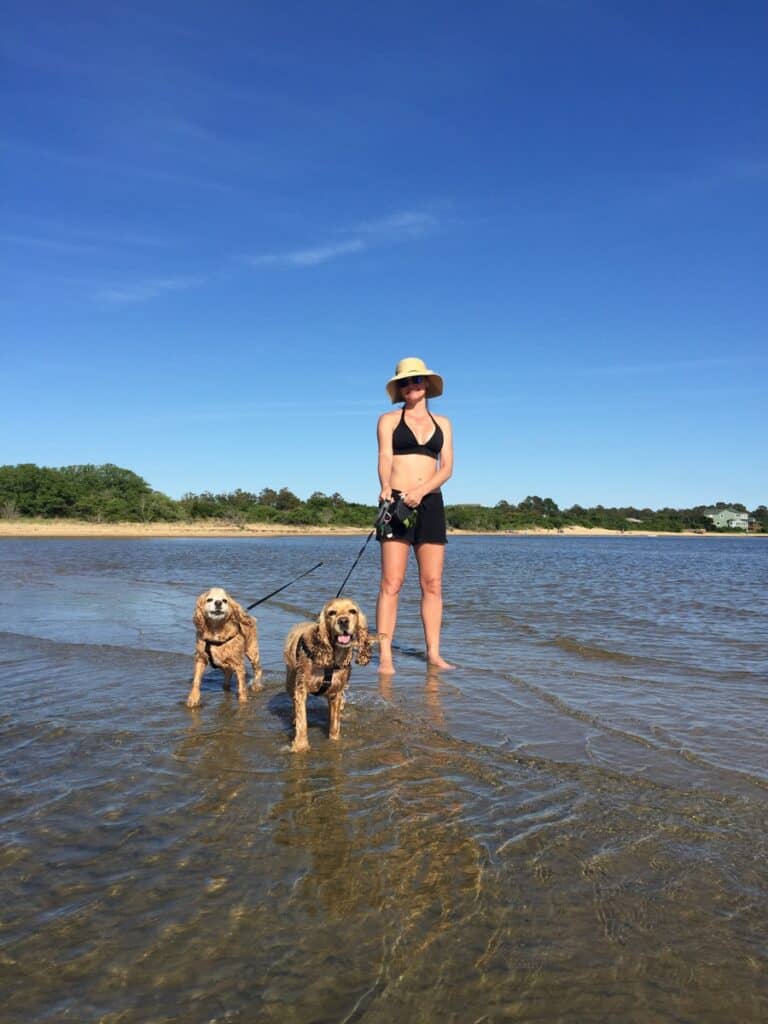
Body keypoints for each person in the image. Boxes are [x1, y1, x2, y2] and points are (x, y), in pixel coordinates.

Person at [376, 357, 454, 673]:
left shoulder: (444, 423)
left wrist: (422, 492)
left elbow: (446, 467)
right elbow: (384, 457)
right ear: (400, 388)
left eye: (417, 380)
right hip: (396, 503)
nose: (412, 386)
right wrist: (384, 486)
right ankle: (384, 656)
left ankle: (433, 654)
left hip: (431, 504)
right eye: (406, 382)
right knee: (391, 583)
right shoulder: (388, 420)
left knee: (432, 583)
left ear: (426, 385)